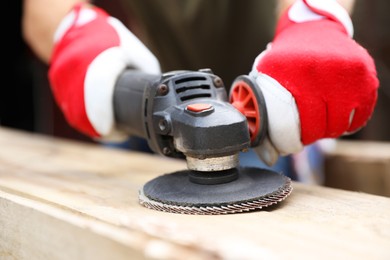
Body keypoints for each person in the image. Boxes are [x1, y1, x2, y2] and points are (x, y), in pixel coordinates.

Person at [22, 0, 379, 181]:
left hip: (274, 108)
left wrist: (312, 23)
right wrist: (76, 33)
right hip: (154, 99)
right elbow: (43, 10)